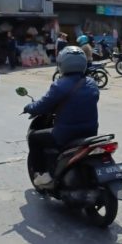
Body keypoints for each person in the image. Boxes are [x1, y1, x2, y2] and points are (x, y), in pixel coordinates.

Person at [24, 46, 99, 188]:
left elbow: (42, 105)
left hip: (65, 135)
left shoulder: (59, 85)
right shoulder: (92, 84)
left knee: (34, 138)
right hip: (90, 133)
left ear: (62, 64)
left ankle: (42, 175)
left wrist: (29, 107)